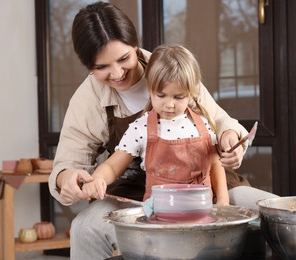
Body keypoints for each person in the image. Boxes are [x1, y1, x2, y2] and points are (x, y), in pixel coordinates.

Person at [48, 2, 277, 258]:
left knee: (276, 214)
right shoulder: (88, 99)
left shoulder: (172, 68)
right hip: (139, 196)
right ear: (89, 67)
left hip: (204, 186)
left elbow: (221, 121)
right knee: (84, 228)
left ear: (134, 44)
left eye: (124, 58)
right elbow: (69, 163)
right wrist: (67, 178)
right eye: (101, 67)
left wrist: (230, 138)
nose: (117, 73)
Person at [82, 44, 229, 206]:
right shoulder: (141, 127)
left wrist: (223, 201)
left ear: (191, 93)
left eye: (178, 97)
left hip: (201, 211)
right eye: (161, 95)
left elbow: (215, 164)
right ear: (150, 89)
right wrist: (98, 179)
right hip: (159, 216)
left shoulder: (202, 123)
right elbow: (112, 166)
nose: (169, 104)